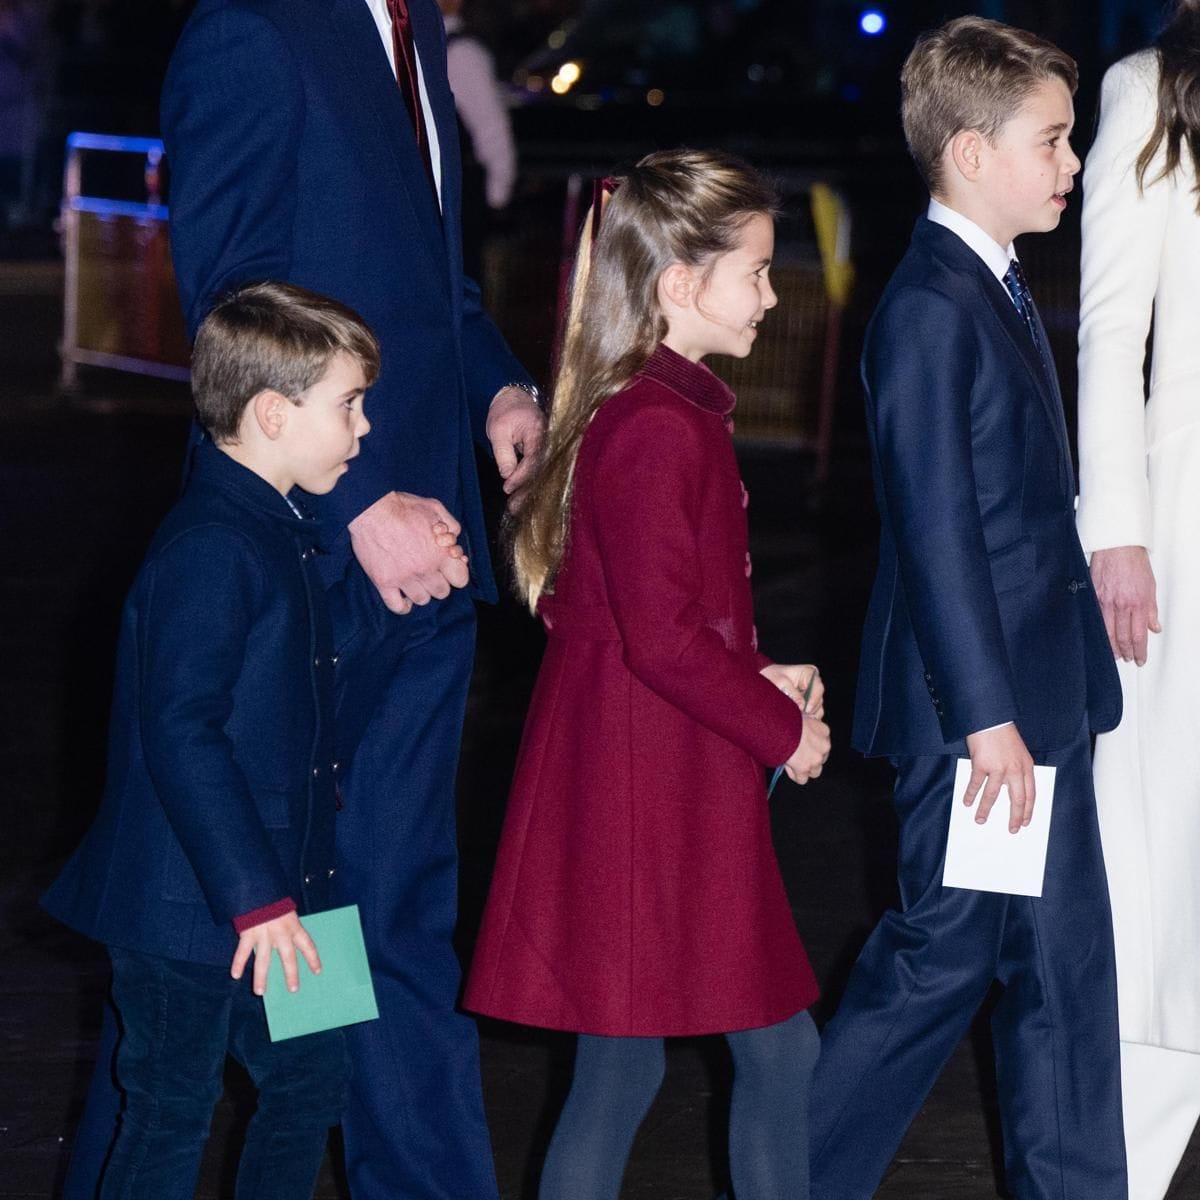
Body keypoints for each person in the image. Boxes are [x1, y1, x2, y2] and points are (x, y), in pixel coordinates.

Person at [89, 4, 544, 1199]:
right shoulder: (252, 28)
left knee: (375, 917)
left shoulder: (414, 30)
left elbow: (424, 279)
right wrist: (358, 505)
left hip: (426, 553)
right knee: (236, 931)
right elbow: (234, 309)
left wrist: (496, 389)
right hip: (311, 557)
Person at [464, 149, 832, 1200]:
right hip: (653, 785)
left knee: (631, 1065)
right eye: (757, 271)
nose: (772, 292)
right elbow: (663, 637)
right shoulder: (656, 426)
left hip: (651, 772)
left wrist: (760, 665)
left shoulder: (654, 410)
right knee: (720, 1056)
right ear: (680, 286)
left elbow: (658, 612)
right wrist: (778, 724)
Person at [808, 18, 1126, 1200]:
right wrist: (990, 717)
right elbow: (936, 528)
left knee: (1059, 969)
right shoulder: (932, 305)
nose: (1071, 162)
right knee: (940, 961)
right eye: (1052, 139)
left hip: (1035, 699)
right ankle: (790, 1169)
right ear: (972, 152)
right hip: (984, 718)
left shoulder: (983, 281)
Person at [42, 282, 377, 1199]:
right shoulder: (212, 545)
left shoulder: (281, 526)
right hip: (192, 902)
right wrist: (256, 901)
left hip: (294, 890)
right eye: (348, 405)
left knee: (316, 1085)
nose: (364, 429)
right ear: (273, 414)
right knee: (169, 1106)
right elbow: (182, 731)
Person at [1077, 3, 1200, 1194]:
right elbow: (1112, 328)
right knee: (1162, 867)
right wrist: (1115, 529)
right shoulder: (1152, 87)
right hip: (1184, 535)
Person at [437, 0, 517, 279]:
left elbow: (492, 130)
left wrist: (495, 199)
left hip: (462, 199)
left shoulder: (461, 53)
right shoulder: (421, 46)